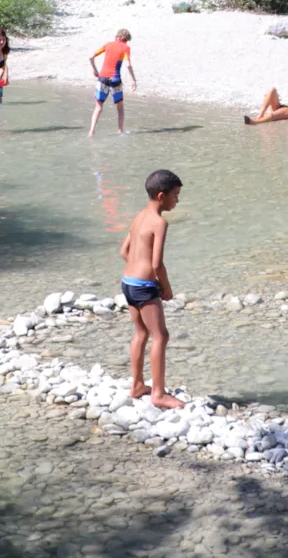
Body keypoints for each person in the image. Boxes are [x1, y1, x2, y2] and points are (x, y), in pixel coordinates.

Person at [119, 168, 184, 409]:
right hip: (144, 287)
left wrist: (138, 271)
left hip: (128, 282)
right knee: (161, 336)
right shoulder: (159, 222)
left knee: (141, 333)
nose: (177, 201)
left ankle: (137, 384)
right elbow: (157, 263)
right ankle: (158, 393)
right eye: (175, 196)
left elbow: (124, 251)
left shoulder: (139, 216)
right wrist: (165, 288)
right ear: (161, 196)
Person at [88, 29, 136, 136]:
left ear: (117, 37)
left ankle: (91, 132)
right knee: (120, 107)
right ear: (126, 39)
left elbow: (91, 56)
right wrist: (134, 80)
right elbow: (128, 65)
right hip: (115, 80)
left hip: (102, 79)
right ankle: (120, 131)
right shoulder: (126, 48)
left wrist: (95, 70)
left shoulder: (108, 45)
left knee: (98, 107)